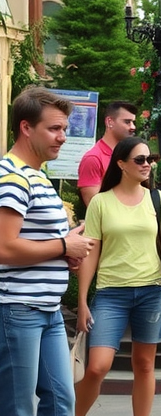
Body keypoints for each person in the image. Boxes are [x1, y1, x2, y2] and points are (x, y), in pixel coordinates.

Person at [0, 87, 96, 416]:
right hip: (18, 307)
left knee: (61, 400)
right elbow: (4, 247)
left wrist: (64, 251)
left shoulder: (37, 176)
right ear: (26, 128)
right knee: (17, 406)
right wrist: (64, 246)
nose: (63, 138)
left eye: (65, 129)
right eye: (54, 129)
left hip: (48, 309)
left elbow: (32, 242)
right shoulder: (12, 177)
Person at [74, 137, 161, 416]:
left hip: (152, 290)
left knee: (144, 365)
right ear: (121, 164)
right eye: (140, 160)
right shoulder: (100, 202)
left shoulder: (160, 199)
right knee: (97, 366)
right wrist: (83, 300)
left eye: (150, 159)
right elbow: (91, 253)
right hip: (111, 293)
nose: (147, 165)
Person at [78, 101, 137, 207]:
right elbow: (95, 208)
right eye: (127, 122)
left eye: (133, 122)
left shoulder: (130, 156)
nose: (133, 127)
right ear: (110, 122)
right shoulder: (93, 158)